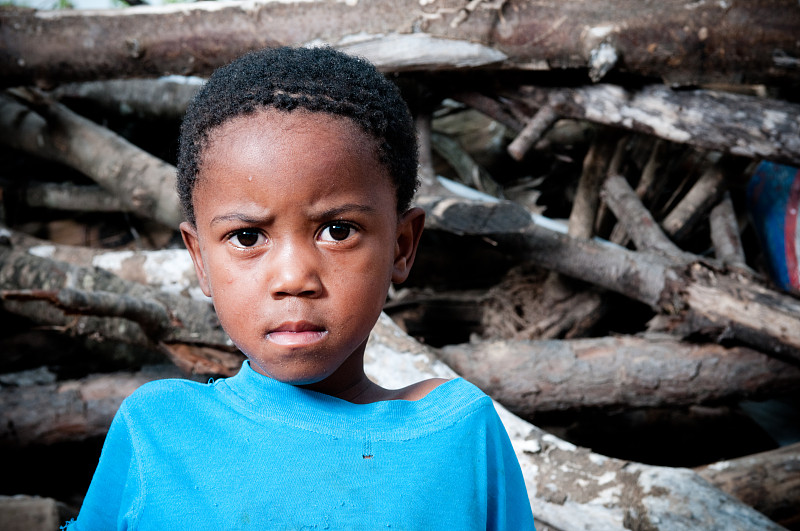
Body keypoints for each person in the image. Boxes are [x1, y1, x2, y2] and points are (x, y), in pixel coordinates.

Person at [63, 46, 535, 530]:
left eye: (338, 231)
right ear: (200, 258)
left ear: (400, 246)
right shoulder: (158, 431)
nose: (293, 279)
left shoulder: (457, 434)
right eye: (247, 237)